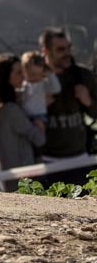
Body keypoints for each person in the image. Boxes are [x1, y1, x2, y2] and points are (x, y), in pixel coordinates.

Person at [37, 27, 97, 188]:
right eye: (60, 49)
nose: (67, 53)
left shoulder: (83, 76)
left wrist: (88, 101)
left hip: (80, 159)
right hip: (47, 161)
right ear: (45, 51)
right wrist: (39, 105)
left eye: (68, 48)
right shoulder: (35, 78)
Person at [0, 53, 45, 192]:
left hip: (9, 180)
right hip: (21, 183)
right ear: (6, 77)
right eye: (18, 72)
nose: (24, 76)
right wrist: (39, 124)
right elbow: (39, 139)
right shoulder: (10, 110)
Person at [19, 50, 60, 132]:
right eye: (31, 74)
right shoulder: (23, 85)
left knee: (38, 129)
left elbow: (56, 89)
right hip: (25, 115)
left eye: (38, 74)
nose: (35, 77)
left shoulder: (42, 84)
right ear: (24, 71)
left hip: (39, 115)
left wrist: (50, 74)